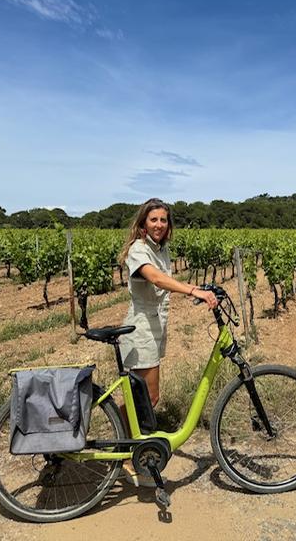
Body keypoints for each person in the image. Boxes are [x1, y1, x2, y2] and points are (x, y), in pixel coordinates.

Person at [118, 198, 217, 486]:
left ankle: (126, 444)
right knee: (148, 398)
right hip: (140, 330)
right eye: (154, 220)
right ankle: (128, 456)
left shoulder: (162, 249)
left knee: (143, 397)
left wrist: (203, 289)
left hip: (155, 328)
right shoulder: (138, 250)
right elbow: (156, 279)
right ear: (143, 223)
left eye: (163, 220)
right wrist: (192, 290)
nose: (159, 224)